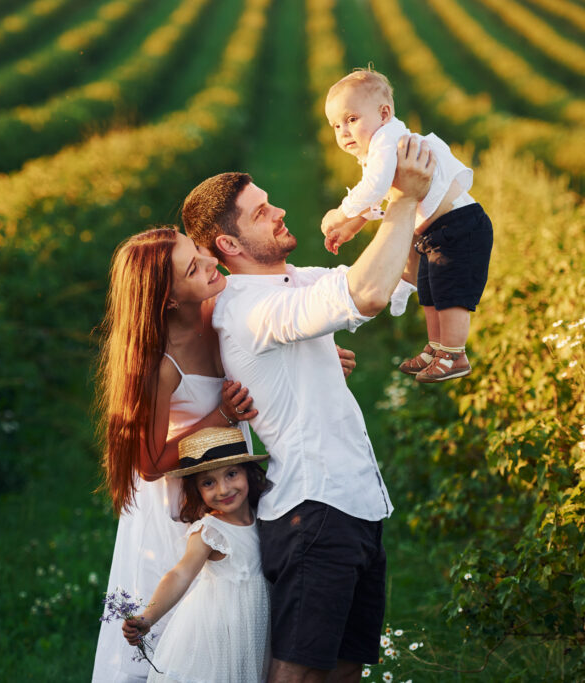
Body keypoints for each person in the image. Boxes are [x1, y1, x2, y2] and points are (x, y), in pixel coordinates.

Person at [180, 135, 433, 683]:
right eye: (262, 211)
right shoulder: (249, 308)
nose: (280, 212)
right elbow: (363, 295)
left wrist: (402, 199)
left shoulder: (294, 282)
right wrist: (403, 203)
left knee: (345, 670)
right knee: (297, 674)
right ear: (228, 242)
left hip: (357, 504)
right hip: (314, 512)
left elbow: (400, 277)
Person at [91, 227, 355, 682]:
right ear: (168, 300)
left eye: (198, 250)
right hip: (184, 496)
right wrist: (221, 415)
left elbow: (258, 344)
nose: (211, 263)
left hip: (227, 474)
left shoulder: (218, 306)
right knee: (192, 622)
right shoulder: (159, 359)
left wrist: (314, 356)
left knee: (241, 606)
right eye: (193, 268)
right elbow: (150, 463)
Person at [321, 68, 494, 383]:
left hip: (459, 225)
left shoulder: (388, 139)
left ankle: (454, 354)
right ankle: (436, 348)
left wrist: (341, 213)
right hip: (435, 233)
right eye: (335, 125)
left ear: (384, 113)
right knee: (430, 290)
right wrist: (353, 227)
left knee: (450, 291)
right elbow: (385, 197)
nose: (343, 132)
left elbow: (375, 188)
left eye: (351, 120)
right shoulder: (380, 146)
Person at [122, 427, 271, 683]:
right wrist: (148, 616)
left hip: (254, 630)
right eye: (208, 482)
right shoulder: (210, 531)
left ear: (247, 473)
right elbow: (180, 574)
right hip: (216, 636)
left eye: (231, 474)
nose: (223, 489)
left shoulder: (265, 516)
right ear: (197, 490)